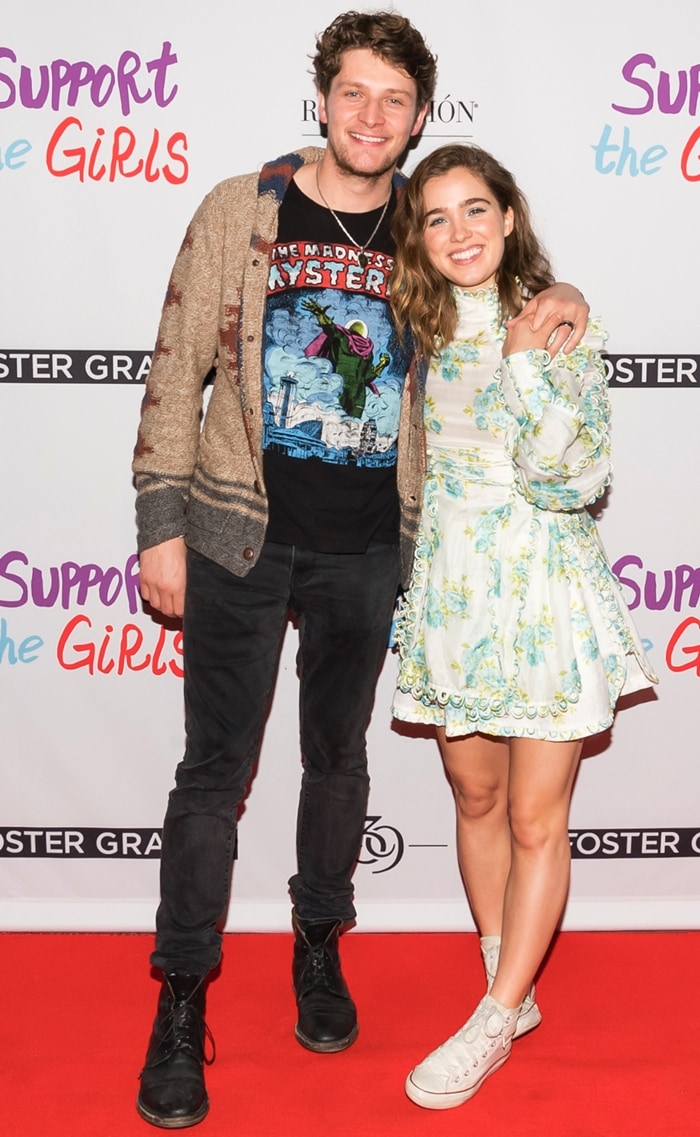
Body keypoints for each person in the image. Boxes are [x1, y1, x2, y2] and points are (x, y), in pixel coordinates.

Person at [132, 10, 590, 1128]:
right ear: (322, 99)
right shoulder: (243, 209)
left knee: (338, 765)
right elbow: (177, 362)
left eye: (394, 99)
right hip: (238, 530)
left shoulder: (427, 229)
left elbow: (502, 300)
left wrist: (563, 300)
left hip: (376, 548)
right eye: (353, 93)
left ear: (419, 115)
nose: (372, 116)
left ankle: (317, 949)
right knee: (212, 774)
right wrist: (159, 522)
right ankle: (181, 1004)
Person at [388, 142, 658, 1110]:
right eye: (435, 217)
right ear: (417, 239)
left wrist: (522, 363)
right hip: (454, 594)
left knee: (539, 816)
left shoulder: (555, 330)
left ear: (508, 218)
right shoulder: (411, 321)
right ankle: (512, 969)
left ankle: (494, 1016)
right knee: (472, 795)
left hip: (542, 594)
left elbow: (571, 480)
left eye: (475, 210)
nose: (458, 232)